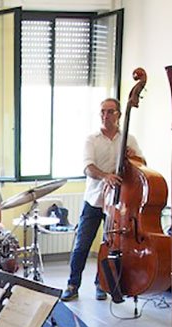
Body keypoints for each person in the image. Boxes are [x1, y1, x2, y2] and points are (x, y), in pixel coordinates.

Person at [61, 97, 144, 302]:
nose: (105, 116)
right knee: (82, 244)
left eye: (110, 112)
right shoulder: (92, 139)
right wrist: (105, 176)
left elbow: (142, 166)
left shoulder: (129, 139)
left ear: (119, 115)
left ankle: (102, 283)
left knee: (110, 245)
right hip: (95, 199)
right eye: (102, 112)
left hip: (117, 202)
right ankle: (73, 284)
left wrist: (133, 157)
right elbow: (88, 167)